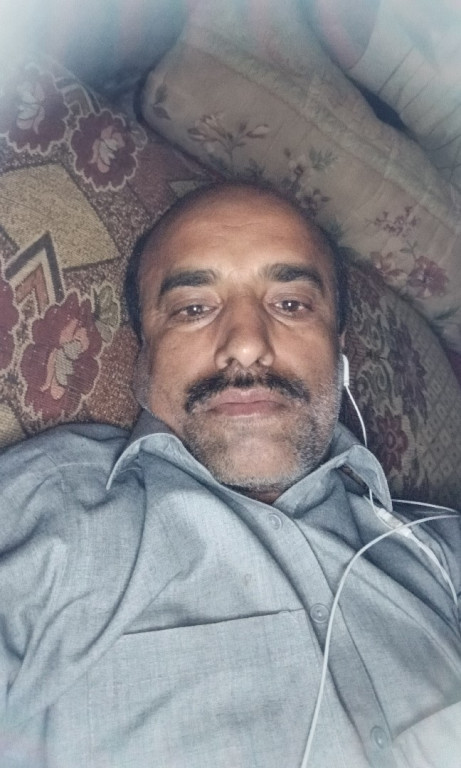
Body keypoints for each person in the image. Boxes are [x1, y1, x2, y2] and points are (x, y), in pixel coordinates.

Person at [0, 181, 460, 768]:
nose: (245, 345)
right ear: (142, 358)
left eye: (290, 304)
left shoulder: (438, 553)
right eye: (194, 309)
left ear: (339, 350)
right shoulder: (48, 509)